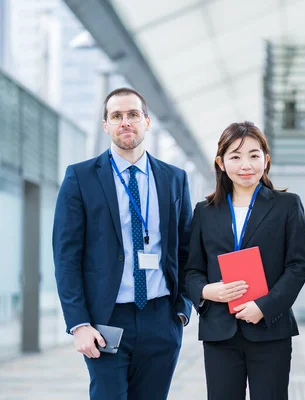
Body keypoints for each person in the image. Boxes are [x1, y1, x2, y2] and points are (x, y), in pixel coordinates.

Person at [53, 87, 192, 400]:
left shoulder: (174, 178)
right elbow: (66, 257)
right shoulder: (81, 177)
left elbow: (185, 248)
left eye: (133, 115)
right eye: (116, 116)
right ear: (106, 125)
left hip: (160, 317)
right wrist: (78, 324)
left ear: (147, 121)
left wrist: (181, 309)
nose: (125, 122)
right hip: (106, 321)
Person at [184, 121, 305, 400]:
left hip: (270, 329)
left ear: (266, 160)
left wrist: (264, 307)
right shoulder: (205, 211)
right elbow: (192, 269)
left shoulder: (287, 205)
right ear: (221, 162)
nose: (246, 164)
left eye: (254, 155)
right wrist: (206, 291)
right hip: (219, 331)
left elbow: (298, 265)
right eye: (235, 156)